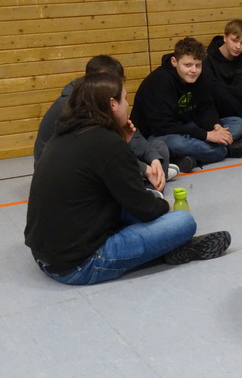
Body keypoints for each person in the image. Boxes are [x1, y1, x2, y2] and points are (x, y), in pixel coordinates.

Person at [24, 73, 231, 285]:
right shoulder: (107, 143)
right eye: (124, 98)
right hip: (79, 265)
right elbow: (144, 207)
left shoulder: (65, 133)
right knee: (182, 221)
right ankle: (170, 246)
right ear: (112, 104)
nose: (127, 105)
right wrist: (165, 206)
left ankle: (165, 245)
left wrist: (122, 141)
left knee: (143, 205)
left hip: (45, 256)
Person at [33, 55, 176, 192]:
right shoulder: (75, 106)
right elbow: (99, 152)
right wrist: (144, 168)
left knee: (159, 149)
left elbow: (131, 134)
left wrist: (153, 157)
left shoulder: (106, 103)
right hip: (64, 171)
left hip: (98, 156)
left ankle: (151, 180)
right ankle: (149, 184)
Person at [131, 37, 242, 172]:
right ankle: (227, 150)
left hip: (190, 127)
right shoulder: (159, 81)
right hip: (159, 135)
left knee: (238, 123)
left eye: (198, 65)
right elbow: (163, 127)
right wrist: (207, 135)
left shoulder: (199, 76)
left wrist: (216, 126)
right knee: (180, 144)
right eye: (187, 65)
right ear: (174, 62)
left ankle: (190, 156)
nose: (193, 70)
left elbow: (206, 107)